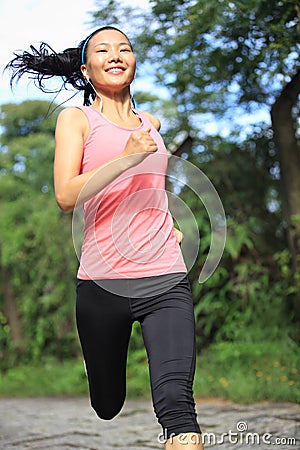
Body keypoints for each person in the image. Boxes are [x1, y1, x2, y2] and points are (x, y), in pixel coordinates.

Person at [6, 26, 204, 449]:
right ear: (85, 67)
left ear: (134, 62)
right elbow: (65, 195)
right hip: (102, 284)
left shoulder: (151, 124)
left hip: (165, 275)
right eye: (103, 50)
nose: (116, 55)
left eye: (125, 49)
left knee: (176, 402)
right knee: (107, 403)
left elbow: (154, 182)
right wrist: (126, 156)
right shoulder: (76, 119)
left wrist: (168, 218)